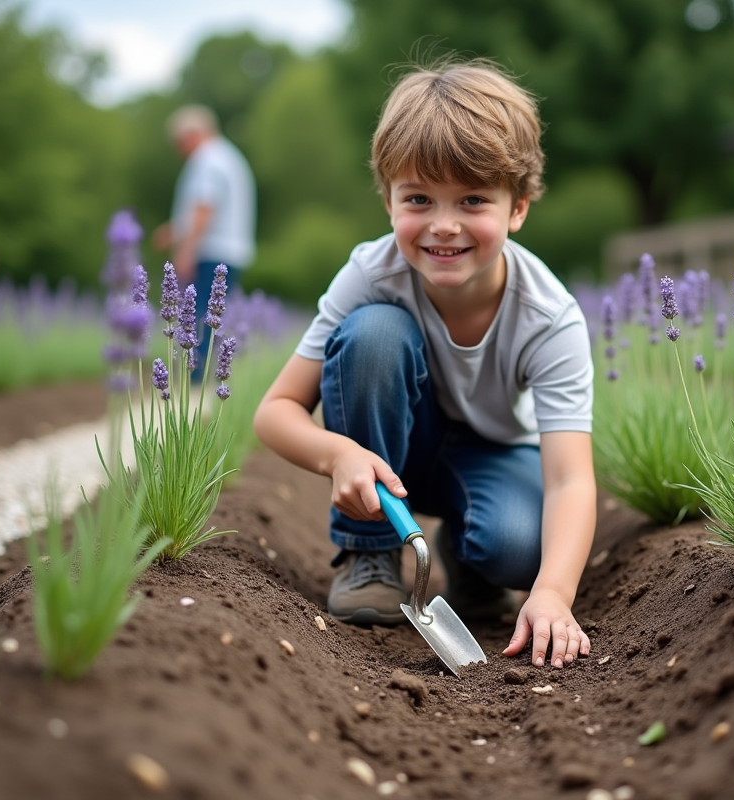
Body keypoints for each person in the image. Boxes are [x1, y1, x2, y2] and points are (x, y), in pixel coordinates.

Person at [253, 60, 596, 671]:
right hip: (391, 448)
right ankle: (371, 554)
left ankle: (467, 556)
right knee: (375, 336)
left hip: (488, 451)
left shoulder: (549, 316)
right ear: (387, 201)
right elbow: (275, 412)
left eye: (472, 200)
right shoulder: (372, 272)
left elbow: (570, 478)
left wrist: (552, 592)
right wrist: (340, 455)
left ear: (517, 207)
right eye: (418, 198)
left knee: (520, 549)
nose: (443, 225)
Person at [152, 104, 256, 370]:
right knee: (214, 317)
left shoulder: (206, 159)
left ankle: (195, 382)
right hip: (230, 250)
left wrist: (185, 251)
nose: (179, 151)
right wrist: (175, 230)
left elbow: (204, 209)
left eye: (179, 143)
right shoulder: (228, 156)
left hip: (211, 251)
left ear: (191, 135)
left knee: (197, 319)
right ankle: (205, 381)